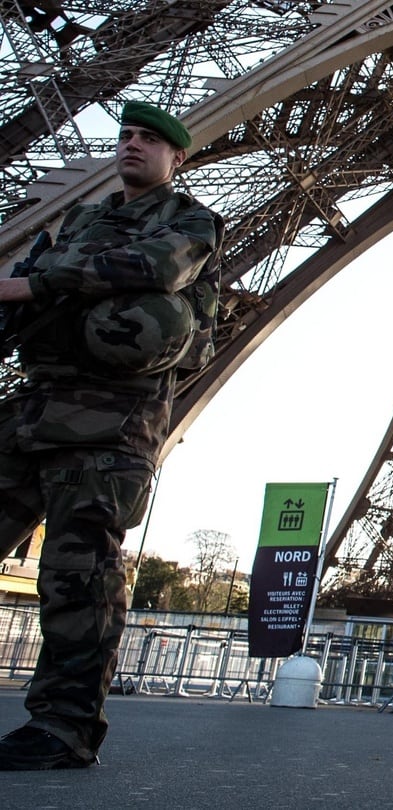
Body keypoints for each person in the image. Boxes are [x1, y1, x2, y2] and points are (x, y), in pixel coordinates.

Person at [0, 102, 221, 770]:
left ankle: (64, 729)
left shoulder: (188, 219)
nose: (132, 145)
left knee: (79, 575)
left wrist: (31, 285)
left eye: (150, 139)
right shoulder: (79, 221)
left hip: (111, 419)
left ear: (176, 158)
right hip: (35, 406)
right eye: (125, 136)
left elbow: (155, 270)